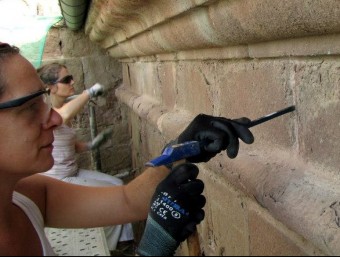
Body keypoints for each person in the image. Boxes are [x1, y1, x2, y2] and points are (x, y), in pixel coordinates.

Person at [0, 42, 254, 256]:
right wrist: (154, 247)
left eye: (42, 100)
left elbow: (128, 200)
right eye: (30, 107)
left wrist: (180, 149)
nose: (54, 119)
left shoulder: (26, 197)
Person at [36, 63, 134, 251]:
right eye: (66, 80)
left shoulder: (63, 108)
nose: (72, 82)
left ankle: (124, 242)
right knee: (114, 197)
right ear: (51, 87)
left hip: (73, 172)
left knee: (118, 184)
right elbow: (62, 116)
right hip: (59, 179)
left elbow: (67, 145)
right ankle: (106, 246)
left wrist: (91, 145)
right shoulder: (47, 113)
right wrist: (88, 92)